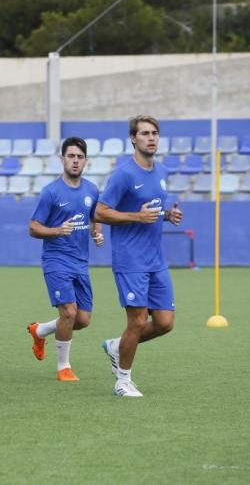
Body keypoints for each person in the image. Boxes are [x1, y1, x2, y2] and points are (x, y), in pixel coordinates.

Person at [95, 115, 182, 398]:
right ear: (133, 138)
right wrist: (136, 216)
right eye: (144, 133)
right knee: (137, 321)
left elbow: (150, 210)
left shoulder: (162, 171)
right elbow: (99, 212)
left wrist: (167, 215)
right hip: (130, 259)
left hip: (156, 259)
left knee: (165, 323)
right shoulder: (123, 174)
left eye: (154, 133)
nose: (151, 138)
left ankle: (116, 346)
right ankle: (122, 381)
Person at [26, 137, 104, 381]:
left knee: (82, 319)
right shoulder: (51, 192)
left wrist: (97, 232)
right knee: (69, 312)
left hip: (80, 262)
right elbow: (33, 227)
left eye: (79, 157)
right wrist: (57, 230)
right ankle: (63, 368)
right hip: (56, 260)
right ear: (62, 159)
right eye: (71, 156)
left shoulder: (92, 190)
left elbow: (95, 216)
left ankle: (40, 330)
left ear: (86, 161)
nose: (75, 161)